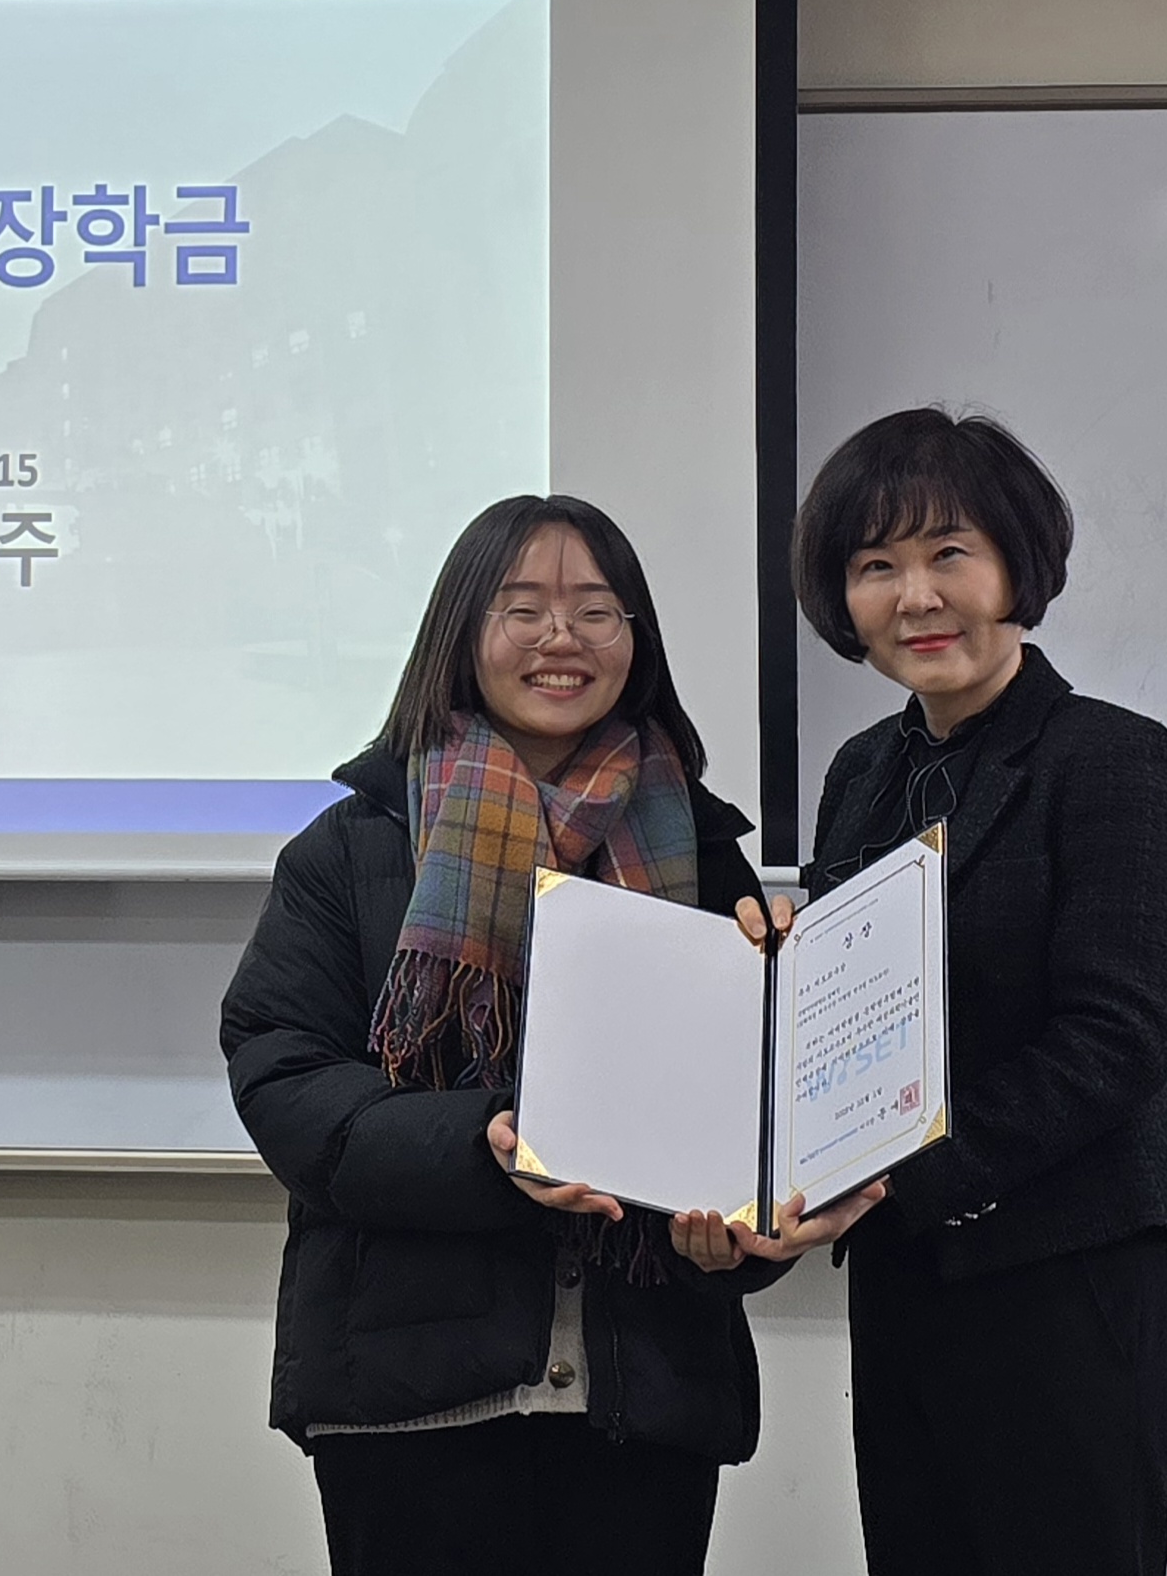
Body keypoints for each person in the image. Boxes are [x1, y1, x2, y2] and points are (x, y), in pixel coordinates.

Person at [220, 493, 870, 1576]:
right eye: (522, 609)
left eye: (596, 611)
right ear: (461, 633)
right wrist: (482, 1144)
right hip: (412, 1399)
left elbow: (741, 1120)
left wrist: (740, 1236)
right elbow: (282, 1078)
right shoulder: (352, 849)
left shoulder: (706, 855)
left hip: (643, 1406)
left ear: (635, 638)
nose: (561, 637)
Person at [768, 408, 1167, 1576]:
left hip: (1071, 1293)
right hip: (908, 1294)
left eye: (949, 553)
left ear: (1016, 563)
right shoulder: (863, 775)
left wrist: (892, 1172)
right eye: (876, 566)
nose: (915, 597)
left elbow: (1117, 1042)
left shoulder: (1111, 759)